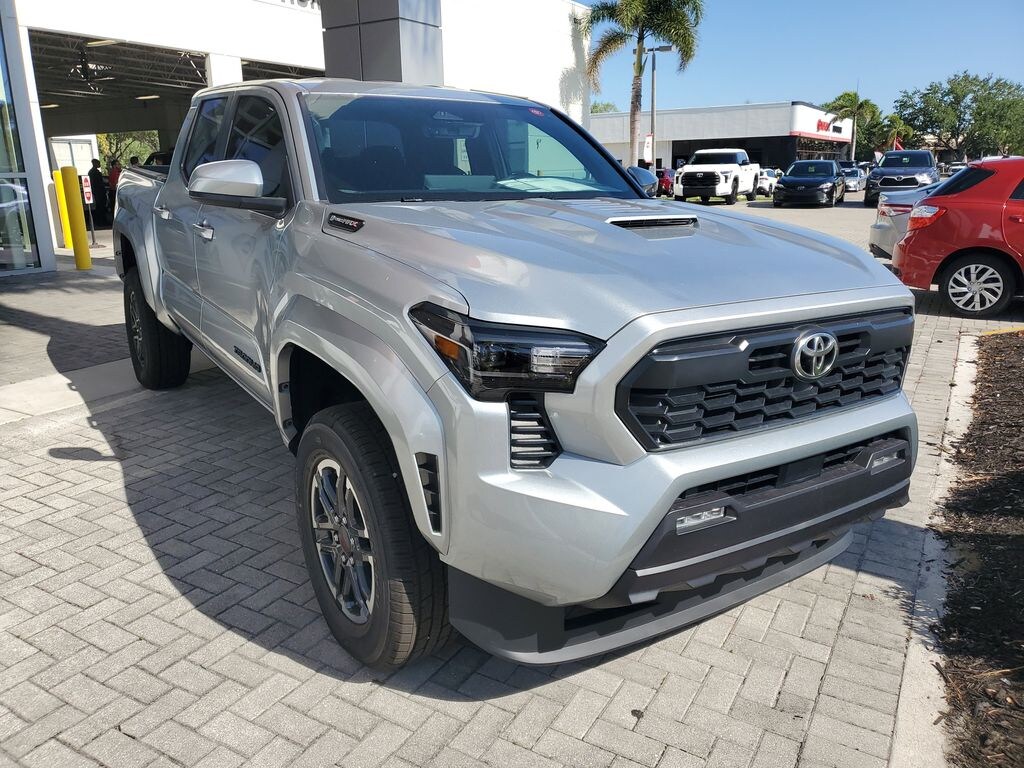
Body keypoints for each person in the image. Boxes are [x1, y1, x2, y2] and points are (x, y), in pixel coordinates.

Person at [88, 159, 107, 227]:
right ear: (94, 164)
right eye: (98, 163)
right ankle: (101, 221)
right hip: (99, 191)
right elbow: (99, 182)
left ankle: (100, 221)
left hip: (97, 191)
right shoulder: (95, 172)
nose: (99, 165)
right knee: (100, 206)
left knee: (100, 206)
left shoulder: (91, 172)